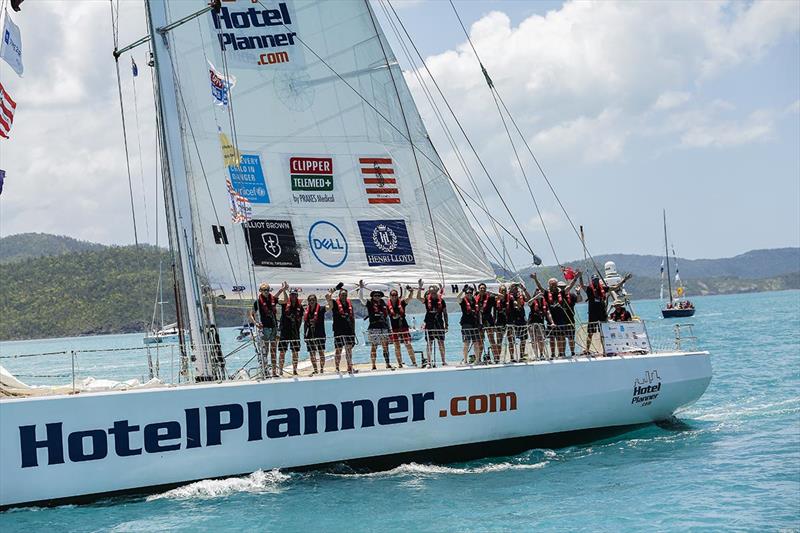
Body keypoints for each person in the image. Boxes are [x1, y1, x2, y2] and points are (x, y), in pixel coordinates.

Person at [578, 272, 632, 354]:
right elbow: (582, 285)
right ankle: (587, 349)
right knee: (590, 333)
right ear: (592, 281)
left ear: (598, 280)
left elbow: (615, 287)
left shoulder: (603, 288)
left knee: (603, 333)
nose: (595, 282)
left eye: (596, 280)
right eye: (594, 280)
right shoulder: (589, 289)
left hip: (602, 314)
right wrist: (580, 276)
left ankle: (606, 349)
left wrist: (624, 279)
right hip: (593, 314)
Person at [359, 281, 392, 371]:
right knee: (374, 346)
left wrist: (389, 329)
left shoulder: (384, 304)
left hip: (384, 327)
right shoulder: (369, 303)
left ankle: (387, 364)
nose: (377, 297)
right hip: (374, 328)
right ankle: (373, 365)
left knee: (386, 346)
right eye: (375, 295)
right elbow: (361, 298)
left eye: (378, 295)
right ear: (372, 296)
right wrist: (361, 288)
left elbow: (387, 317)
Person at [249, 282, 279, 377]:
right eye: (264, 290)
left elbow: (284, 300)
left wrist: (282, 290)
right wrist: (256, 323)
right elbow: (251, 314)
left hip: (274, 327)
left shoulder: (272, 299)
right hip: (265, 328)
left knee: (274, 350)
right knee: (266, 351)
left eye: (267, 290)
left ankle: (274, 372)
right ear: (260, 291)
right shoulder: (257, 302)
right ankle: (265, 371)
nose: (266, 292)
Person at [326, 284, 356, 374]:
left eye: (345, 295)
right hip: (338, 330)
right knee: (338, 349)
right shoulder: (335, 304)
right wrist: (333, 290)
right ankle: (337, 368)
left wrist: (354, 332)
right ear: (339, 295)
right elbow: (327, 297)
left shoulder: (349, 304)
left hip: (349, 330)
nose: (344, 296)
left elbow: (352, 318)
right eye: (342, 295)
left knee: (349, 350)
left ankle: (349, 367)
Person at [387, 284, 418, 368]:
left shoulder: (402, 303)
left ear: (397, 296)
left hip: (403, 326)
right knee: (397, 346)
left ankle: (414, 362)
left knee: (408, 344)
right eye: (392, 295)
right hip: (394, 328)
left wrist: (411, 292)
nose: (394, 296)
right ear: (390, 296)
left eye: (395, 295)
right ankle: (400, 363)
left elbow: (409, 298)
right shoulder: (387, 306)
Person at [277, 282, 303, 376]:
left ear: (297, 296)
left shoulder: (300, 307)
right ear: (290, 295)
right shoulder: (285, 304)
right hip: (284, 332)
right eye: (291, 295)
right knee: (282, 352)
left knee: (295, 352)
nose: (293, 297)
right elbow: (280, 300)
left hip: (295, 333)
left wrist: (297, 329)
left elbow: (300, 320)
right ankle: (280, 370)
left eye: (295, 295)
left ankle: (295, 370)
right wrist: (283, 290)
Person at [419, 284, 448, 366]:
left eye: (434, 291)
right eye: (431, 292)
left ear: (437, 291)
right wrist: (419, 287)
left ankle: (443, 361)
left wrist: (447, 324)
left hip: (439, 323)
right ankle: (429, 362)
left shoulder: (442, 301)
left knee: (441, 342)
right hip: (429, 323)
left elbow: (445, 313)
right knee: (429, 343)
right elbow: (418, 298)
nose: (433, 293)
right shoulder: (426, 300)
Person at [457, 284, 482, 364]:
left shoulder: (475, 301)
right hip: (466, 324)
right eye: (467, 293)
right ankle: (465, 360)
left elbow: (479, 313)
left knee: (476, 342)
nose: (469, 294)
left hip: (475, 324)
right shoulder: (463, 301)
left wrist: (480, 323)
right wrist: (462, 291)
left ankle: (477, 360)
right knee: (466, 342)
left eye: (470, 293)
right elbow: (457, 298)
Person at [303, 293, 326, 374]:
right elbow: (305, 324)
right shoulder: (306, 310)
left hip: (320, 333)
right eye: (310, 300)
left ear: (316, 300)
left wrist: (329, 298)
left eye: (313, 300)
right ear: (308, 301)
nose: (311, 301)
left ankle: (322, 369)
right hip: (309, 334)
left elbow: (330, 307)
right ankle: (315, 370)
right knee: (312, 353)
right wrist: (304, 335)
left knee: (321, 352)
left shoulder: (321, 309)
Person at [507, 283, 530, 361]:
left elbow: (528, 299)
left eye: (516, 288)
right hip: (511, 320)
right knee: (511, 340)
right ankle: (512, 357)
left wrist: (524, 289)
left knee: (523, 339)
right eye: (513, 288)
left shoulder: (521, 295)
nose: (515, 289)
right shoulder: (508, 296)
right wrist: (510, 290)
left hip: (521, 319)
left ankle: (521, 355)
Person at [475, 282, 498, 363]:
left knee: (491, 339)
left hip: (489, 320)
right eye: (481, 288)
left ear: (485, 289)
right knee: (480, 341)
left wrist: (495, 320)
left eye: (484, 288)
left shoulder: (490, 297)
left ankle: (496, 358)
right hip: (479, 321)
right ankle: (479, 359)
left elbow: (496, 309)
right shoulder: (475, 298)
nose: (482, 289)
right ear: (479, 289)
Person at [527, 290, 551, 359]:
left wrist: (551, 322)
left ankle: (541, 353)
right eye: (538, 292)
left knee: (541, 339)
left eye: (540, 293)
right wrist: (536, 296)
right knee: (533, 339)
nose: (540, 294)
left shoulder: (544, 303)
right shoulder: (533, 301)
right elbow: (529, 303)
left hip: (540, 322)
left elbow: (547, 312)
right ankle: (535, 354)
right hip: (531, 323)